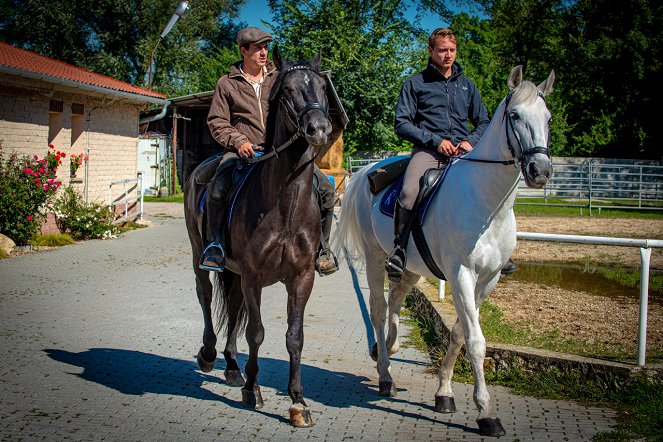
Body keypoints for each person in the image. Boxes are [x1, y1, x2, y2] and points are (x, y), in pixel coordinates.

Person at [200, 26, 339, 276]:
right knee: (218, 187)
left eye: (266, 47)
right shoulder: (226, 84)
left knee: (326, 190)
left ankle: (322, 250)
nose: (263, 52)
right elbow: (217, 121)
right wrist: (239, 141)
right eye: (257, 48)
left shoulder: (280, 77)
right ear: (243, 50)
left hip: (283, 152)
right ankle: (215, 245)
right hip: (245, 150)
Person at [385, 28, 490, 282]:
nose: (448, 55)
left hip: (464, 154)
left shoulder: (467, 85)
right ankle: (399, 251)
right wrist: (435, 141)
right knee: (409, 192)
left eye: (452, 50)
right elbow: (402, 124)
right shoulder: (414, 83)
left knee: (490, 189)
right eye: (443, 50)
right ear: (431, 51)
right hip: (429, 152)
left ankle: (499, 251)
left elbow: (484, 120)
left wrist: (470, 141)